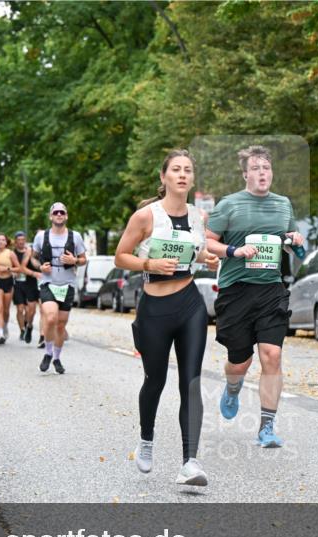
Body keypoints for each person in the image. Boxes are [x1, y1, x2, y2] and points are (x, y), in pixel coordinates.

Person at [115, 150, 219, 486]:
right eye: (176, 169)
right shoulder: (145, 217)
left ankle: (190, 461)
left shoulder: (198, 216)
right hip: (155, 309)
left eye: (188, 170)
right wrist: (149, 265)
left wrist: (208, 260)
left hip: (190, 304)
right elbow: (121, 256)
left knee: (190, 382)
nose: (182, 175)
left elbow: (195, 250)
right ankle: (146, 440)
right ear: (164, 177)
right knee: (154, 381)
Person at [205, 145, 304, 448]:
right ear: (245, 174)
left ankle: (267, 427)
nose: (263, 173)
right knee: (240, 362)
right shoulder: (229, 205)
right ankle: (232, 387)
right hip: (236, 291)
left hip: (271, 289)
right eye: (256, 168)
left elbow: (288, 243)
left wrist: (294, 241)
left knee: (272, 356)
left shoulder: (283, 205)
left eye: (267, 168)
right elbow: (209, 243)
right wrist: (234, 251)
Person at [32, 203, 87, 373]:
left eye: (62, 212)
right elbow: (33, 258)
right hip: (48, 283)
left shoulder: (75, 236)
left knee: (61, 326)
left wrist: (75, 261)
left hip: (67, 284)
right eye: (55, 212)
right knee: (50, 318)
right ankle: (47, 353)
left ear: (66, 216)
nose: (59, 215)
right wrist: (40, 267)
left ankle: (56, 358)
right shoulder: (41, 236)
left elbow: (84, 259)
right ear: (50, 216)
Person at [0, 232, 22, 345]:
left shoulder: (10, 254)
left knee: (6, 310)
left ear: (6, 242)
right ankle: (1, 333)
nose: (1, 242)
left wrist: (7, 269)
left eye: (3, 240)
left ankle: (5, 326)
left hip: (8, 282)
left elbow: (18, 268)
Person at [12, 232, 40, 343]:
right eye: (19, 240)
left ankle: (29, 325)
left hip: (30, 282)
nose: (21, 242)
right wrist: (12, 271)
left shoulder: (31, 252)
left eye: (23, 239)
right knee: (20, 308)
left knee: (30, 310)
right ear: (15, 241)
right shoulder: (12, 253)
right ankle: (22, 330)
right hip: (18, 283)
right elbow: (10, 266)